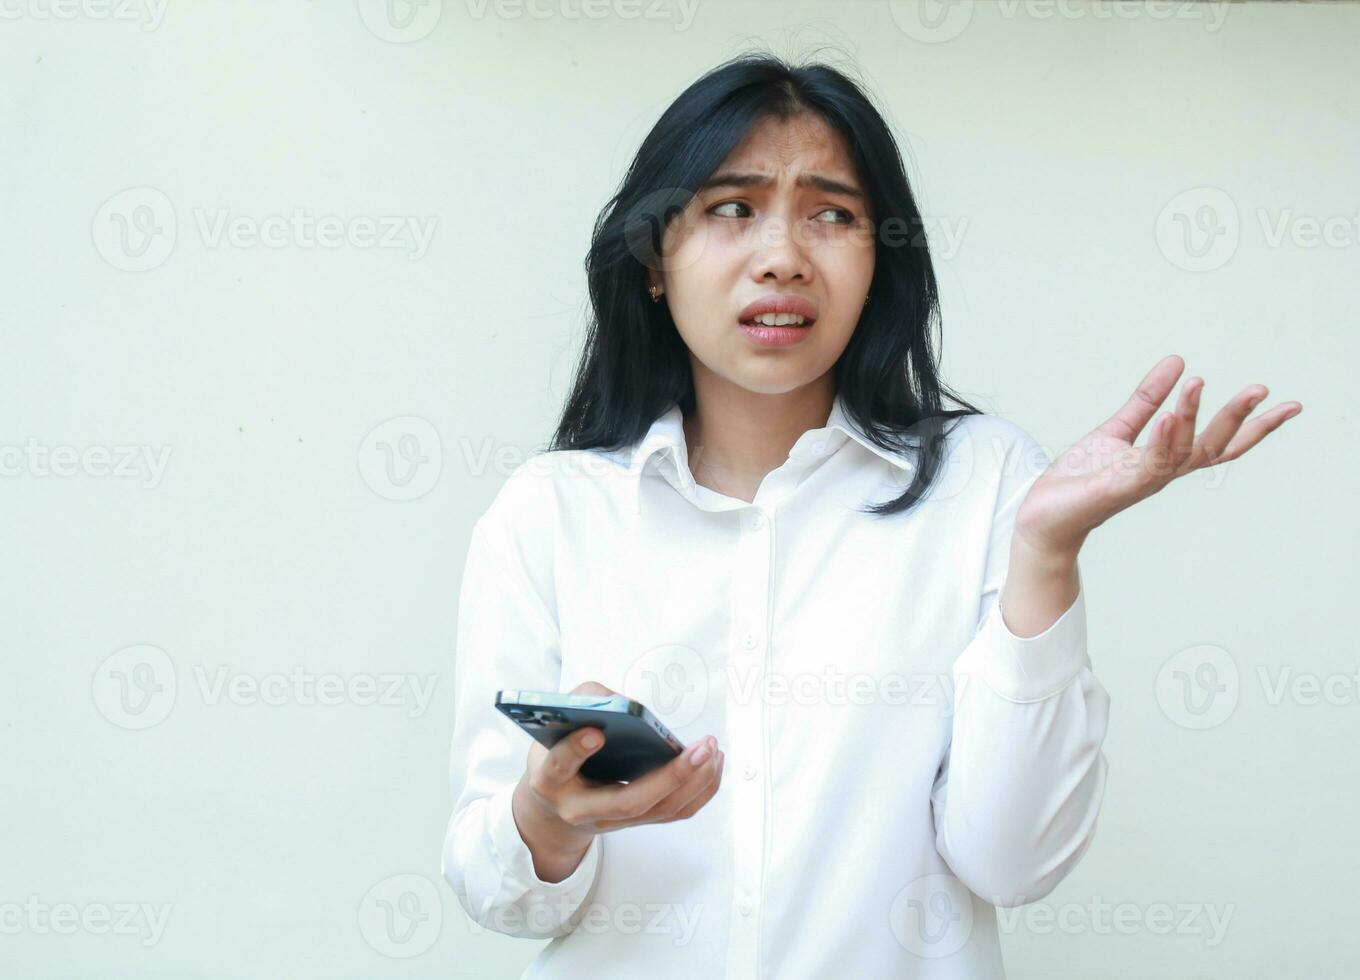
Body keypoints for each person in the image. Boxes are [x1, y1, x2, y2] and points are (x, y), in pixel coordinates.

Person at [441, 52, 1301, 979]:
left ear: (877, 258)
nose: (782, 256)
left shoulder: (986, 482)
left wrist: (1047, 552)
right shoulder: (551, 514)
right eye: (732, 208)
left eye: (832, 214)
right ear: (654, 261)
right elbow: (501, 895)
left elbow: (1012, 864)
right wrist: (549, 814)